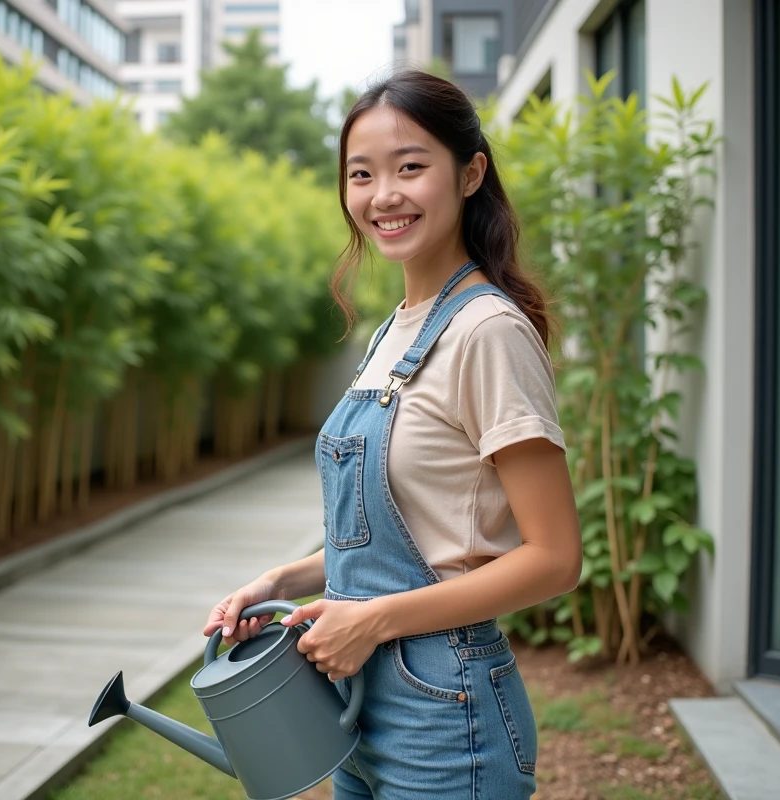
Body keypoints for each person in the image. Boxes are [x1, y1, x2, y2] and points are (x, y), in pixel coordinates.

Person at [202, 69, 582, 799]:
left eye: (411, 167)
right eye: (361, 175)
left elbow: (555, 558)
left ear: (471, 174)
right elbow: (412, 529)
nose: (384, 195)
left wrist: (373, 620)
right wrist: (282, 581)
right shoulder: (391, 333)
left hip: (447, 714)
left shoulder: (486, 332)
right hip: (357, 699)